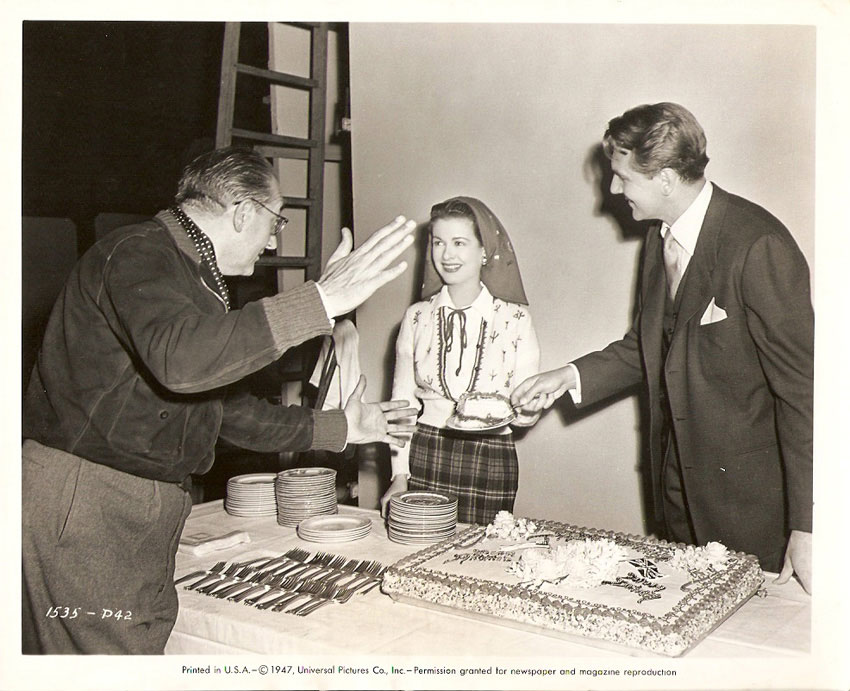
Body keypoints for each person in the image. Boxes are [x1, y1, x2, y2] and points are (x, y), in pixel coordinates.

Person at [22, 146, 418, 654]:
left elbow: (224, 409)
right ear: (244, 211)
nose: (273, 241)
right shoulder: (138, 251)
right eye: (276, 221)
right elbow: (182, 362)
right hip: (88, 502)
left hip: (128, 503)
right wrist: (318, 300)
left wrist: (342, 427)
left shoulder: (188, 274)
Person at [512, 103, 813, 593]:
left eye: (624, 178)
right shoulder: (659, 239)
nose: (614, 190)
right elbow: (648, 346)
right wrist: (567, 376)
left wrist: (808, 524)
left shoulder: (758, 244)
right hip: (677, 496)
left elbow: (806, 394)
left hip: (754, 511)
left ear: (667, 179)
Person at [380, 197, 541, 524]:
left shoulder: (515, 319)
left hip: (491, 456)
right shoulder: (416, 317)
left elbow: (524, 412)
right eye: (438, 243)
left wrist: (530, 411)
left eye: (459, 243)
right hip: (426, 452)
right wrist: (399, 474)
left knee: (481, 551)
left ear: (484, 251)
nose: (447, 255)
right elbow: (401, 404)